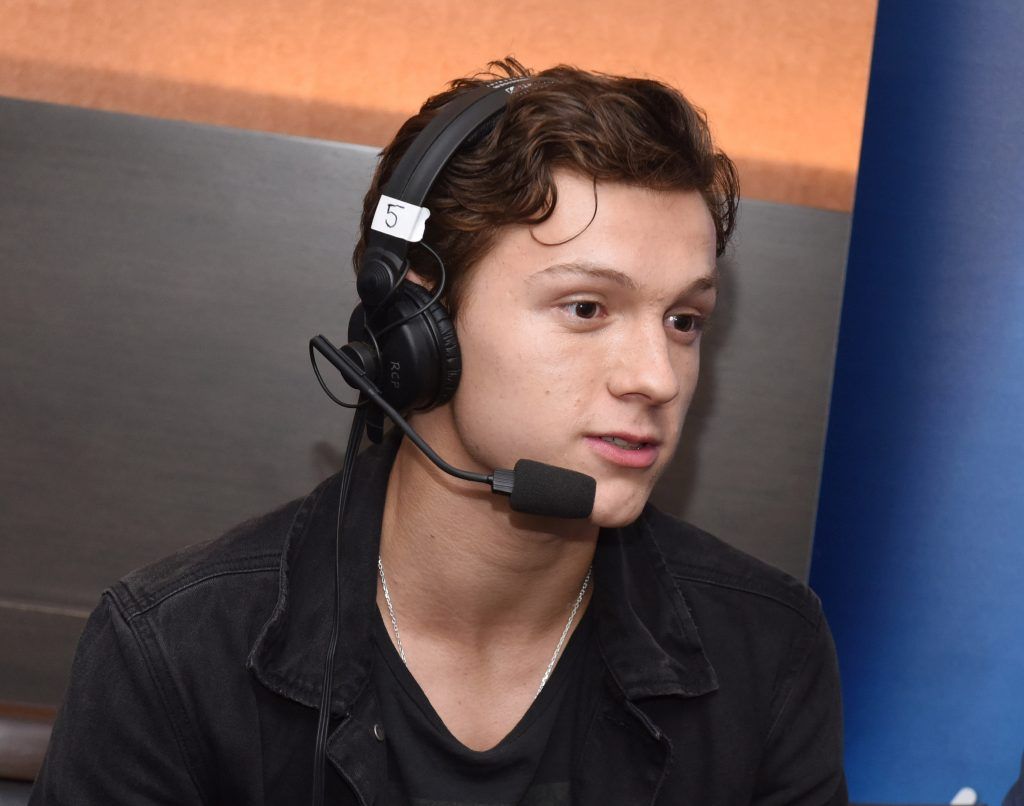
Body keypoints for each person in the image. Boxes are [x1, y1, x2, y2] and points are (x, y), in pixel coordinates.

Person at [30, 58, 847, 805]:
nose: (657, 377)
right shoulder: (177, 653)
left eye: (683, 319)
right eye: (587, 308)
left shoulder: (766, 649)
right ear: (419, 324)